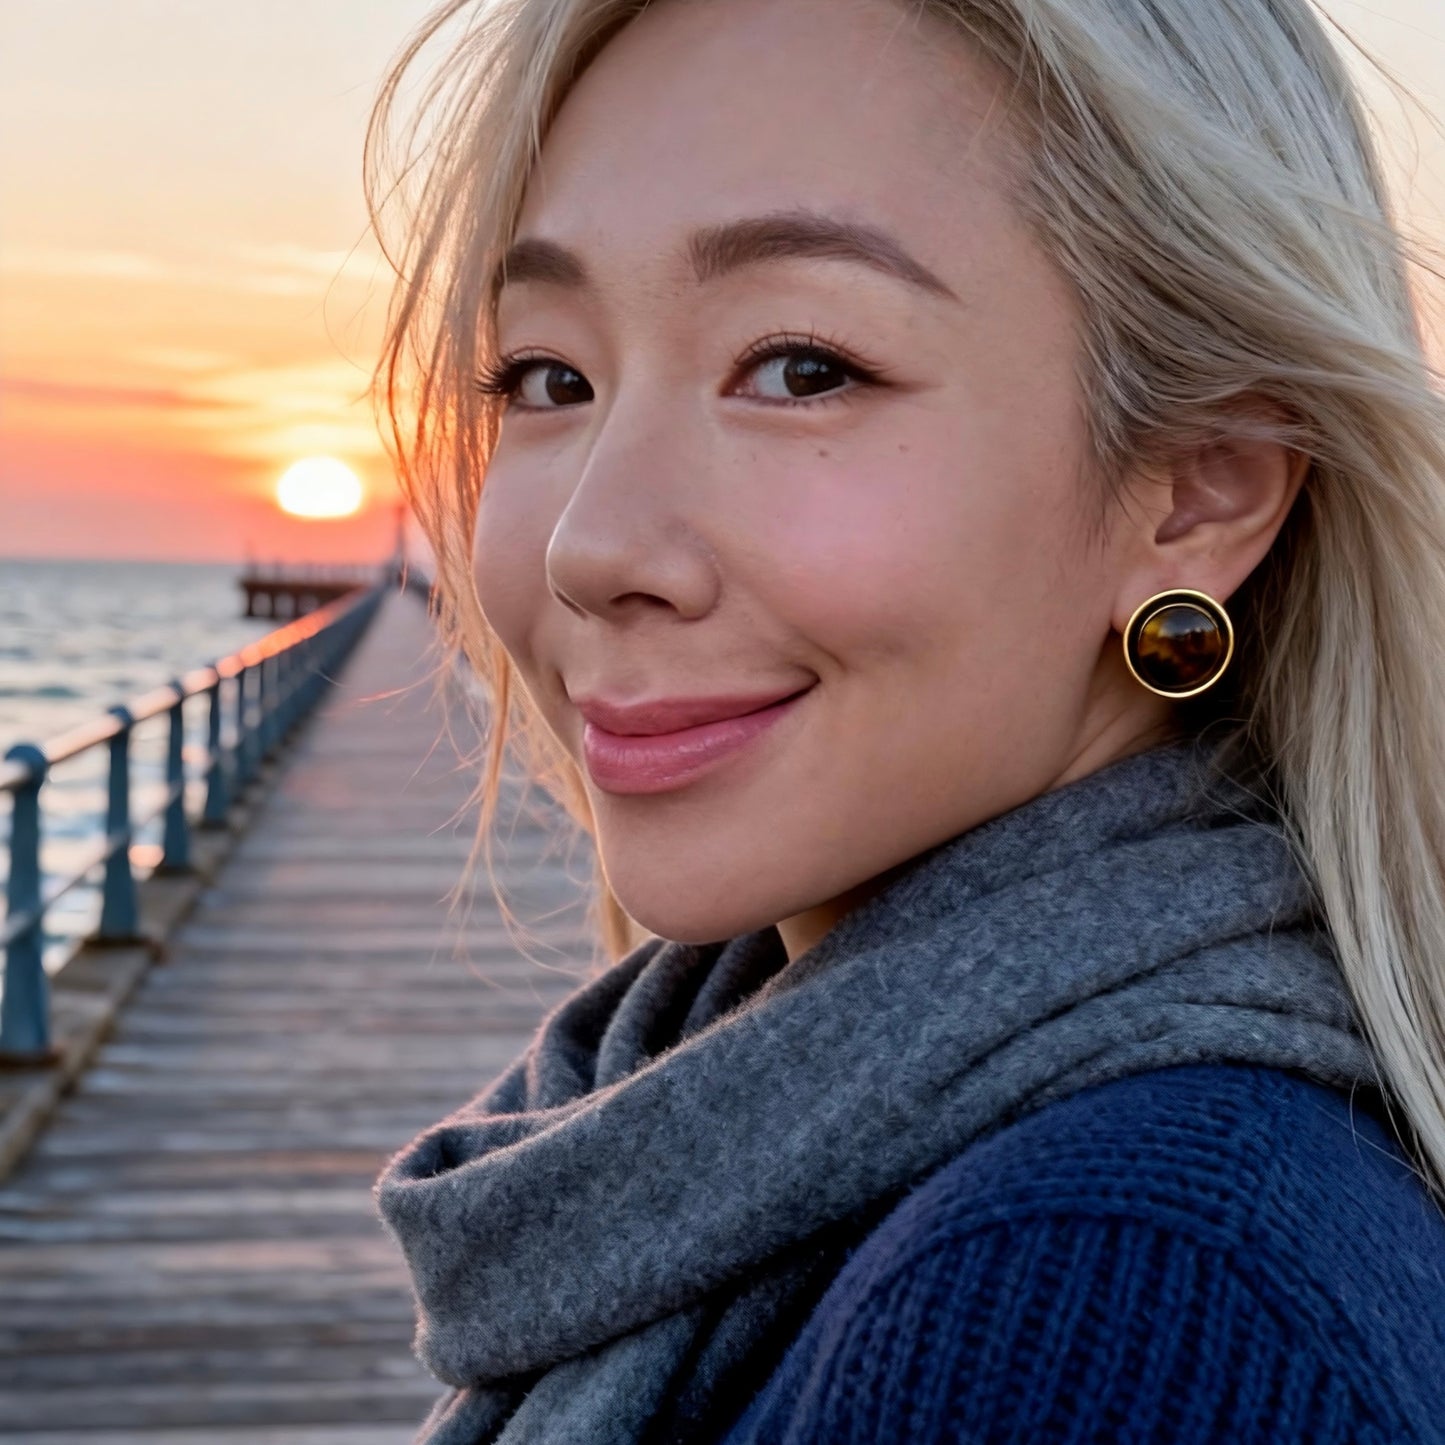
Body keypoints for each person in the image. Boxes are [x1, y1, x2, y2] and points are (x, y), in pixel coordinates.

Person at [362, 0, 1445, 1439]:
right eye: (547, 376)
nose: (589, 544)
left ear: (1197, 488)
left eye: (803, 365)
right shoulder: (741, 1091)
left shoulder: (1100, 1294)